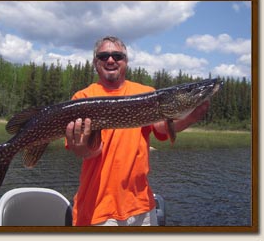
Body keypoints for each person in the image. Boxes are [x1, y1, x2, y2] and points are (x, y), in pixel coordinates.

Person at [65, 36, 210, 226]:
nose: (111, 60)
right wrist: (83, 146)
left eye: (117, 55)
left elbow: (162, 130)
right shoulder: (83, 97)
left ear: (125, 61)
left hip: (142, 208)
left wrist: (191, 116)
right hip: (98, 210)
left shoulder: (146, 92)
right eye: (104, 56)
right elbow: (83, 151)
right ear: (95, 62)